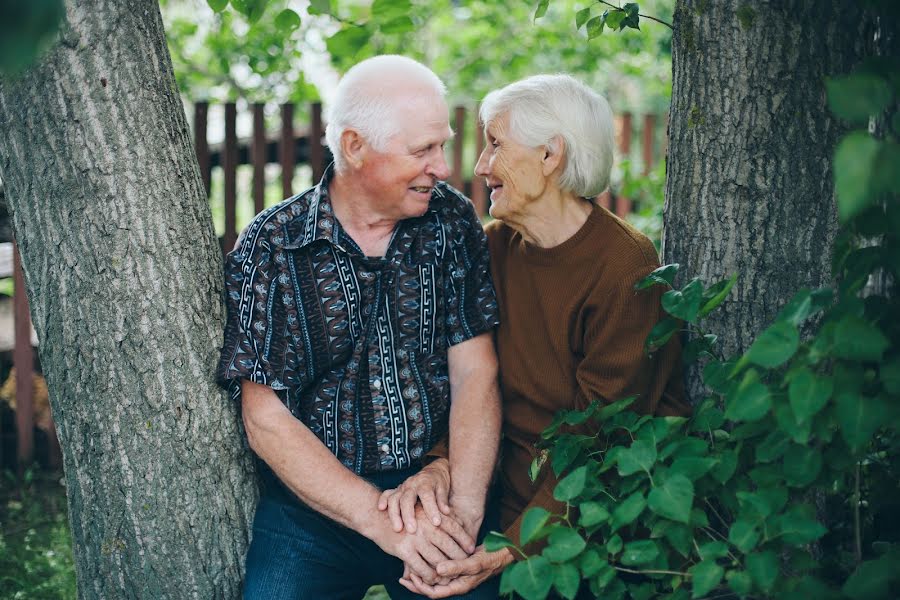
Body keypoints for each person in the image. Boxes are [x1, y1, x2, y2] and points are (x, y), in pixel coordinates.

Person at [383, 74, 690, 598]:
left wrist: (506, 551)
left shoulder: (625, 268)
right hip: (495, 499)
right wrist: (440, 466)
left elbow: (600, 443)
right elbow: (461, 380)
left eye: (496, 145)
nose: (480, 166)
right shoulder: (495, 248)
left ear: (550, 156)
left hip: (586, 526)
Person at [216, 55, 503, 599]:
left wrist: (462, 514)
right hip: (314, 506)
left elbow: (475, 373)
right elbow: (265, 416)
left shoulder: (452, 221)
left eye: (441, 145)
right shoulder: (272, 245)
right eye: (423, 150)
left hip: (435, 487)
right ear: (354, 147)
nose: (442, 167)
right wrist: (380, 522)